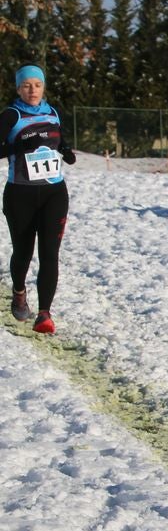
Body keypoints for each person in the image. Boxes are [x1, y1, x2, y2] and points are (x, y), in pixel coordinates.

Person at [2, 64, 75, 334]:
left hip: (54, 192)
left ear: (43, 87)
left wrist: (66, 150)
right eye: (26, 85)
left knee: (49, 254)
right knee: (23, 252)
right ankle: (19, 292)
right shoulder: (11, 116)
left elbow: (58, 139)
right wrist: (17, 147)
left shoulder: (53, 112)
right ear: (18, 88)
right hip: (20, 194)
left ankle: (44, 313)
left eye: (37, 85)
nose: (32, 90)